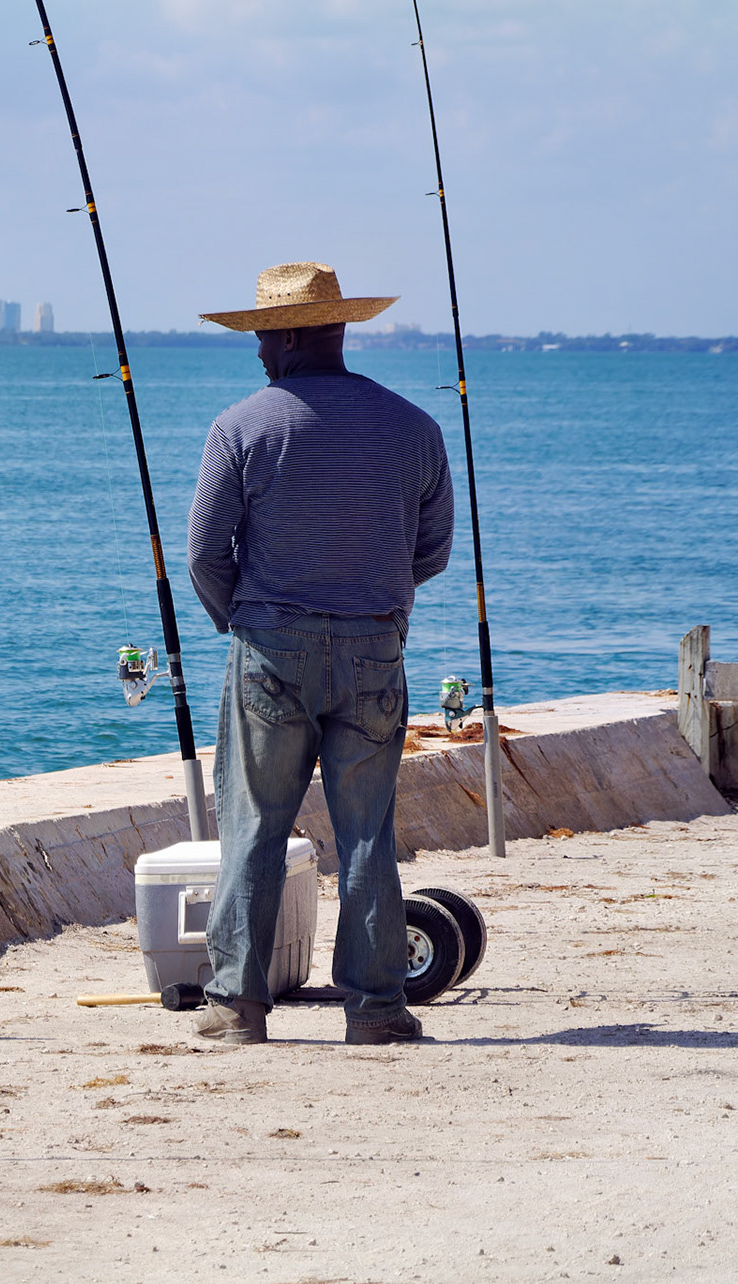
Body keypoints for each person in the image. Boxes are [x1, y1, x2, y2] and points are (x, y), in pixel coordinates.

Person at [185, 262, 454, 1046]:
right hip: (375, 647)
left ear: (296, 335)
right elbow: (431, 549)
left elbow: (205, 553)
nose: (259, 352)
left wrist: (241, 620)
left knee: (254, 827)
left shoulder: (241, 426)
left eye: (266, 336)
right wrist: (374, 600)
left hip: (271, 646)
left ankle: (237, 1005)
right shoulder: (413, 427)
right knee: (367, 831)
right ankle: (376, 1010)